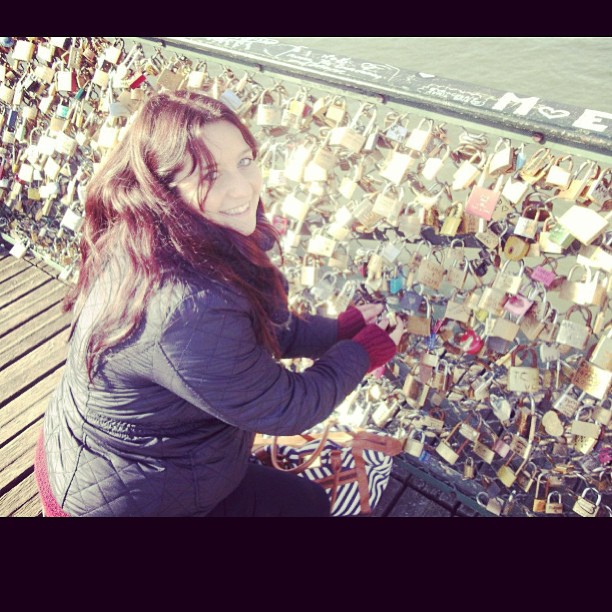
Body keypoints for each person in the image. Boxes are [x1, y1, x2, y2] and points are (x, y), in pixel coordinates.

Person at [34, 90, 404, 517]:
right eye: (209, 174)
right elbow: (288, 407)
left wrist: (339, 329)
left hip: (117, 453)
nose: (241, 189)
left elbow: (257, 328)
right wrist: (362, 351)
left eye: (245, 160)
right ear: (164, 185)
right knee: (308, 507)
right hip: (128, 499)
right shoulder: (185, 308)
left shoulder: (146, 232)